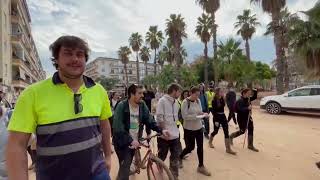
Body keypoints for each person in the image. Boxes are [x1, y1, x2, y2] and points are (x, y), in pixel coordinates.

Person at [6, 36, 113, 180]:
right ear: (56, 59)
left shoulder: (99, 90)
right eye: (68, 53)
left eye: (80, 54)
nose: (75, 59)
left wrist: (107, 157)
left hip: (97, 174)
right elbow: (17, 145)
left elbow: (104, 125)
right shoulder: (32, 94)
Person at [112, 84, 170, 180]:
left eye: (143, 93)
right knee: (125, 167)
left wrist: (161, 130)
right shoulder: (122, 106)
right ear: (131, 94)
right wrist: (130, 140)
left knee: (126, 164)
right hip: (122, 142)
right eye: (139, 93)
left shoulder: (142, 105)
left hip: (135, 140)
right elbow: (118, 128)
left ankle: (127, 168)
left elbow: (149, 120)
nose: (143, 95)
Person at [179, 87, 211, 176]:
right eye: (195, 95)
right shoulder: (185, 102)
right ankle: (180, 156)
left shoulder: (198, 101)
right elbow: (184, 116)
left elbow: (199, 111)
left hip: (198, 127)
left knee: (200, 147)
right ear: (190, 93)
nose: (197, 97)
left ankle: (201, 166)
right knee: (190, 147)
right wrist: (196, 117)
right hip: (189, 129)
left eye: (198, 95)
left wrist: (204, 114)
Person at [156, 83, 182, 180]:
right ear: (174, 91)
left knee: (175, 156)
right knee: (162, 155)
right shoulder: (162, 101)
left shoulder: (176, 102)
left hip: (175, 135)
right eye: (179, 91)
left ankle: (174, 176)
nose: (180, 93)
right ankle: (159, 165)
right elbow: (159, 117)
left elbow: (176, 117)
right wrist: (163, 130)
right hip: (164, 136)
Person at [208, 88, 237, 155]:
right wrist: (216, 121)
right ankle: (210, 141)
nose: (222, 92)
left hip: (223, 116)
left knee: (226, 132)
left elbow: (223, 108)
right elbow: (214, 112)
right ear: (217, 92)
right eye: (221, 91)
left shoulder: (222, 99)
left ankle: (228, 149)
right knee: (216, 131)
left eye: (222, 91)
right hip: (217, 117)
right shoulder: (214, 100)